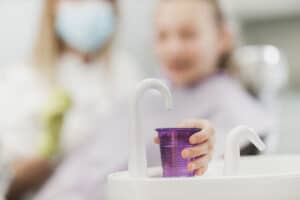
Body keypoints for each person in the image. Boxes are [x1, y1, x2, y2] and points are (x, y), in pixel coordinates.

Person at [22, 0, 273, 200]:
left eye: (188, 34)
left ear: (223, 38)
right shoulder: (147, 94)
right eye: (162, 36)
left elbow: (223, 157)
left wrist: (205, 151)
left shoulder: (229, 102)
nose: (173, 48)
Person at [1, 0, 141, 199]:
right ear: (52, 7)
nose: (91, 7)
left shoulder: (126, 72)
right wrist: (48, 149)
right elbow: (12, 188)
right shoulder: (20, 80)